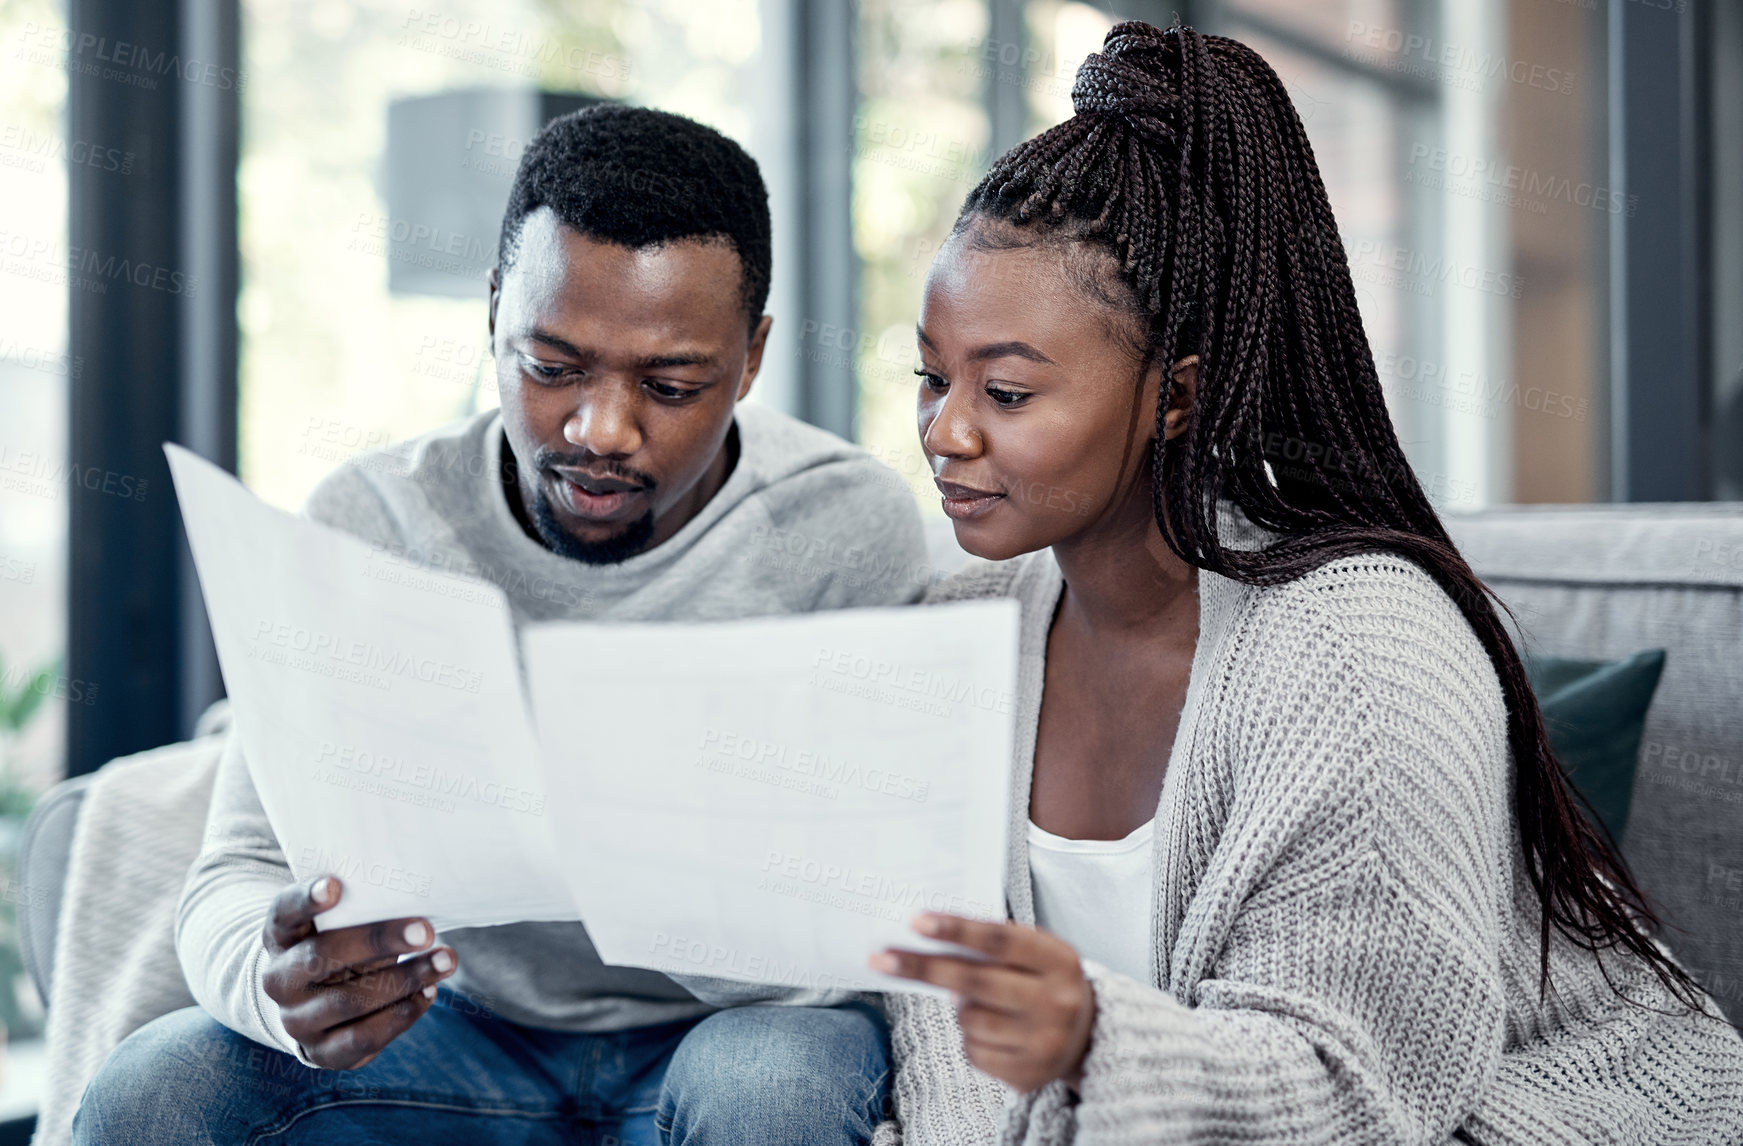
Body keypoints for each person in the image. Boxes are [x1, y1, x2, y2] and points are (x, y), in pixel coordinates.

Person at [868, 21, 1743, 1145]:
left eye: (1009, 394)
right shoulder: (957, 638)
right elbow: (945, 1051)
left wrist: (1094, 1044)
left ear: (1176, 397)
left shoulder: (1361, 651)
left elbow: (1350, 1090)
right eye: (932, 379)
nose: (944, 433)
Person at [74, 105, 920, 1146]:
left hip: (735, 1034)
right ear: (492, 318)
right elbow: (239, 865)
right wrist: (274, 979)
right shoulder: (371, 523)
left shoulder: (847, 529)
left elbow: (886, 916)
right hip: (460, 1031)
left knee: (773, 1091)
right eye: (552, 366)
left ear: (750, 359)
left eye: (670, 385)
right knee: (157, 1089)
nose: (598, 431)